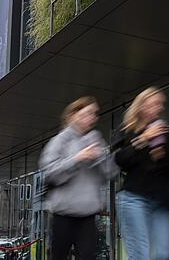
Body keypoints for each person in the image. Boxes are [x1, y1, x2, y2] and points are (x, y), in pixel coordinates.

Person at [39, 96, 118, 260]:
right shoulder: (60, 140)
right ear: (73, 115)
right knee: (58, 256)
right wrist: (77, 158)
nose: (92, 118)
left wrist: (101, 157)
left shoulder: (96, 140)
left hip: (87, 215)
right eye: (87, 113)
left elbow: (111, 173)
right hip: (63, 213)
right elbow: (50, 171)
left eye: (95, 114)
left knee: (88, 256)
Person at [114, 87, 169, 260]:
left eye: (160, 104)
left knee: (165, 253)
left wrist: (162, 156)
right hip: (134, 198)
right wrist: (144, 139)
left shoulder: (167, 132)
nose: (159, 108)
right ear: (142, 106)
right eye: (154, 103)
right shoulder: (129, 130)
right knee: (140, 254)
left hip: (161, 201)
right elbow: (120, 160)